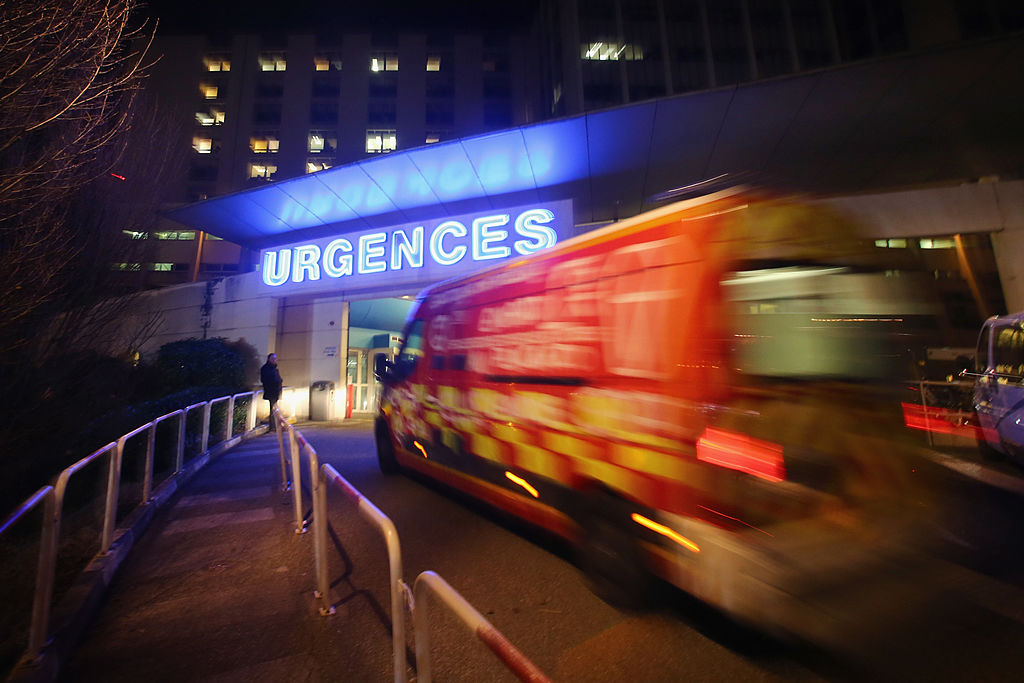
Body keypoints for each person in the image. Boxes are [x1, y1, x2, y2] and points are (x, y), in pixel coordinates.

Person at [260, 353, 283, 431]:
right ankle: (273, 426)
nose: (274, 360)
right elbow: (265, 380)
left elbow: (278, 379)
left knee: (274, 409)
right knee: (273, 409)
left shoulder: (274, 369)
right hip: (271, 391)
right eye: (273, 358)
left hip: (276, 391)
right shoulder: (266, 369)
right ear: (269, 359)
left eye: (275, 359)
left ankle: (275, 426)